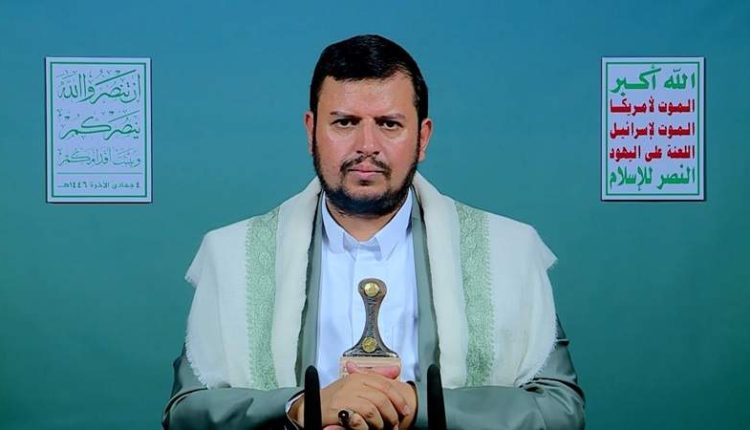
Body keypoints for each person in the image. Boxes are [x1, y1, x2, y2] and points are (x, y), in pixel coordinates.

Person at [162, 34, 585, 430]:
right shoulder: (233, 254)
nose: (367, 145)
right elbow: (185, 412)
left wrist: (415, 405)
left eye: (389, 124)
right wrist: (300, 407)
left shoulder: (507, 251)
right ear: (311, 131)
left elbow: (560, 409)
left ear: (423, 137)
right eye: (345, 122)